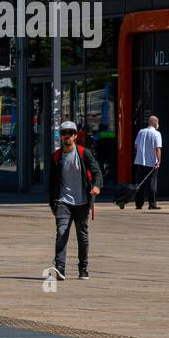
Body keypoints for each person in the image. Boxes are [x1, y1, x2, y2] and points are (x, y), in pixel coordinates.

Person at [47, 120, 102, 281]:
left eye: (70, 133)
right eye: (64, 133)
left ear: (75, 136)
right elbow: (52, 183)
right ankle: (60, 268)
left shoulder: (84, 153)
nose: (67, 137)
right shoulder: (56, 156)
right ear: (60, 136)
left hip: (83, 202)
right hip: (63, 202)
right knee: (62, 232)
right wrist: (52, 203)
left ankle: (83, 268)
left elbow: (97, 172)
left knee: (82, 236)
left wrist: (96, 186)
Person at [132, 115, 162, 210]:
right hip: (152, 162)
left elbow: (136, 145)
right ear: (154, 122)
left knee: (140, 183)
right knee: (152, 184)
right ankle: (152, 204)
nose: (158, 124)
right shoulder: (156, 133)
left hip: (140, 161)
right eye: (157, 122)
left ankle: (139, 204)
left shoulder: (141, 131)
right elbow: (158, 148)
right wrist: (159, 160)